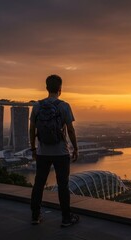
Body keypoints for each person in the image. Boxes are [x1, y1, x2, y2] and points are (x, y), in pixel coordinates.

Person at [30, 74, 79, 227]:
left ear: (46, 88)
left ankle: (35, 216)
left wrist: (33, 148)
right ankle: (66, 218)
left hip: (43, 152)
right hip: (61, 152)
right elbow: (70, 130)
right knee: (63, 185)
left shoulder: (37, 106)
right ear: (60, 89)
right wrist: (75, 148)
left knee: (39, 184)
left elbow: (32, 129)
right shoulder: (64, 106)